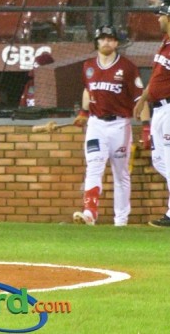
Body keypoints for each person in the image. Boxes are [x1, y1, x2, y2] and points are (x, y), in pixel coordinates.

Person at [72, 25, 148, 227]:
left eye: (111, 39)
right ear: (97, 42)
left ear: (116, 43)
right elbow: (88, 90)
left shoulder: (127, 67)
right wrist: (84, 113)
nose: (106, 42)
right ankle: (90, 212)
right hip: (96, 124)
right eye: (103, 38)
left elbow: (140, 98)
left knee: (121, 174)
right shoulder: (88, 66)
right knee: (94, 166)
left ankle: (121, 220)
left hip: (120, 125)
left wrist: (146, 126)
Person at [134, 2, 170, 227]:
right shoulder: (165, 43)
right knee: (158, 160)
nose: (158, 19)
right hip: (158, 109)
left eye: (162, 15)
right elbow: (157, 78)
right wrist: (142, 100)